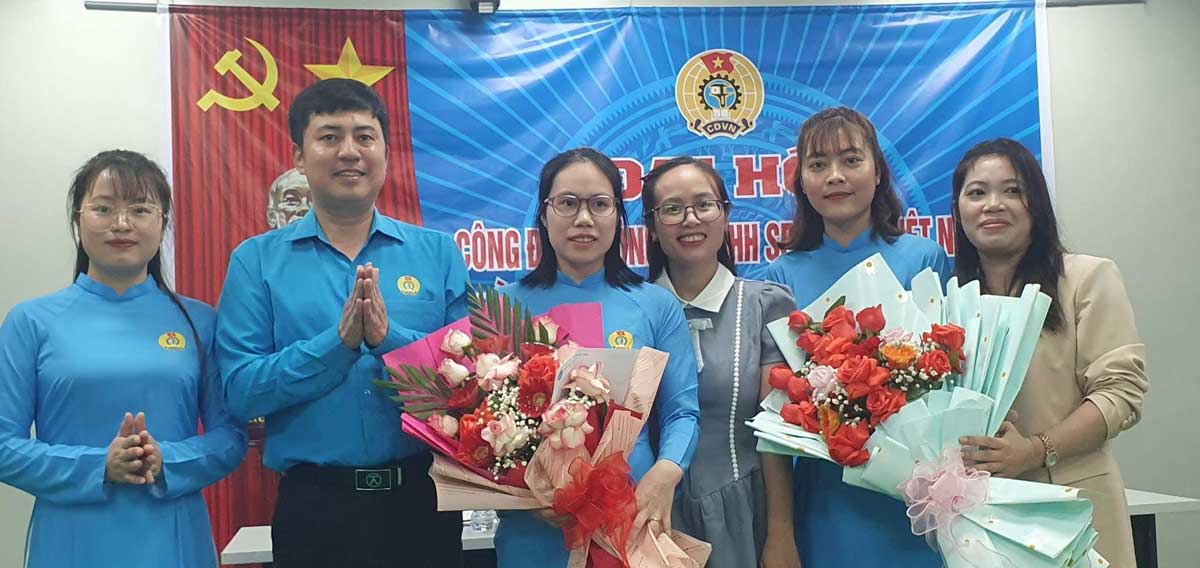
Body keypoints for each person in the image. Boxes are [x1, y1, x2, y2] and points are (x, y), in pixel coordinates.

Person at [216, 78, 469, 568]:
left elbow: (470, 387)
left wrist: (387, 340)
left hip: (423, 503)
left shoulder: (436, 254)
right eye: (330, 137)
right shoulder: (256, 262)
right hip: (315, 510)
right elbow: (241, 391)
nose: (349, 151)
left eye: (364, 137)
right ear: (298, 155)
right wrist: (338, 346)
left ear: (386, 153)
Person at [0, 150, 247, 567]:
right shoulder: (31, 321)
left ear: (163, 223)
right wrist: (99, 466)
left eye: (140, 209)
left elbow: (231, 437)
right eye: (103, 208)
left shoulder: (199, 321)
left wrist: (168, 460)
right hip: (70, 543)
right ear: (78, 221)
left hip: (174, 540)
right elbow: (4, 446)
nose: (121, 223)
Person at [493, 147, 700, 567]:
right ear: (544, 214)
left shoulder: (655, 305)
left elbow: (683, 413)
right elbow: (480, 425)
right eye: (567, 203)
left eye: (600, 205)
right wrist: (521, 494)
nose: (584, 219)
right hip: (535, 525)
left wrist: (666, 472)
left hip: (629, 517)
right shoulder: (502, 308)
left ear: (619, 218)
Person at [763, 106, 950, 567]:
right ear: (801, 182)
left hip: (916, 500)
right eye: (818, 164)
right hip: (825, 500)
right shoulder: (779, 278)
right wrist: (780, 532)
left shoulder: (924, 259)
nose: (835, 176)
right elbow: (770, 418)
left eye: (851, 159)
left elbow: (951, 386)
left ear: (878, 171)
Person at [953, 138, 1147, 567]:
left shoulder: (1088, 278)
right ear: (959, 208)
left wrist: (1037, 450)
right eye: (977, 192)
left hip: (1074, 507)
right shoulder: (948, 300)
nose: (993, 204)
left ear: (1036, 203)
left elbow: (1120, 394)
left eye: (1013, 190)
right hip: (978, 520)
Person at [641, 157, 801, 568]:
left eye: (704, 204)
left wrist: (781, 532)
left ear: (725, 214)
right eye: (672, 209)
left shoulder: (766, 305)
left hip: (745, 514)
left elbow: (775, 434)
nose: (690, 219)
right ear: (653, 228)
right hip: (647, 516)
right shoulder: (633, 311)